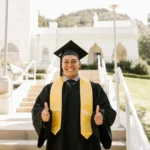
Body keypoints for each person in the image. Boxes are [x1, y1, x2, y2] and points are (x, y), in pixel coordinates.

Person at [31, 40, 116, 150]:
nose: (70, 65)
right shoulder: (49, 89)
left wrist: (102, 117)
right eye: (66, 61)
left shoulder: (94, 88)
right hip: (58, 143)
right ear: (61, 64)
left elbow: (108, 110)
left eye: (73, 61)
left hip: (87, 144)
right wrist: (42, 116)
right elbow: (37, 109)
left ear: (79, 63)